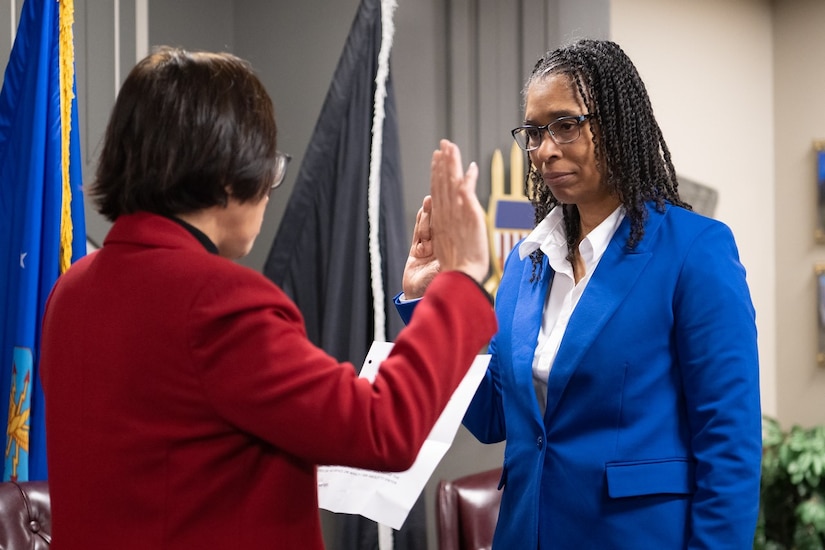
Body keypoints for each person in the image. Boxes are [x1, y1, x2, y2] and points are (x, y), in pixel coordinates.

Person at [38, 46, 496, 549]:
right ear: (226, 171)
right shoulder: (218, 300)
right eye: (269, 165)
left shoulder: (72, 290)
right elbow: (384, 429)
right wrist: (462, 280)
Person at [396, 39, 761, 549]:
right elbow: (492, 415)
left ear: (614, 122)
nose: (545, 150)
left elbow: (730, 447)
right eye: (534, 132)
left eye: (565, 125)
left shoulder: (695, 251)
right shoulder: (527, 265)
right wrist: (426, 302)